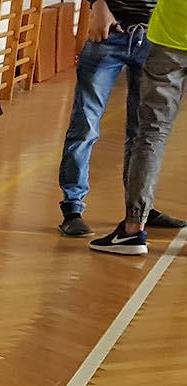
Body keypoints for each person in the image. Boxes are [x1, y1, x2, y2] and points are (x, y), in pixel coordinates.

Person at [90, 0, 187, 253]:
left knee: (152, 134)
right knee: (151, 134)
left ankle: (133, 230)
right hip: (168, 39)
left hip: (170, 38)